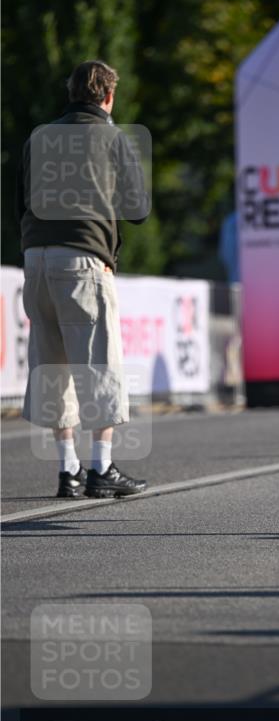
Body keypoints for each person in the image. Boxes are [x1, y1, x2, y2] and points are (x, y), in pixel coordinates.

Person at [16, 60, 148, 499]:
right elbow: (138, 208)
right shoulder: (112, 136)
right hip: (83, 261)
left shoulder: (40, 136)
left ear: (71, 93)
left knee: (52, 366)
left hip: (35, 259)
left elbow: (22, 201)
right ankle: (101, 468)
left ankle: (67, 471)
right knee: (99, 365)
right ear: (109, 97)